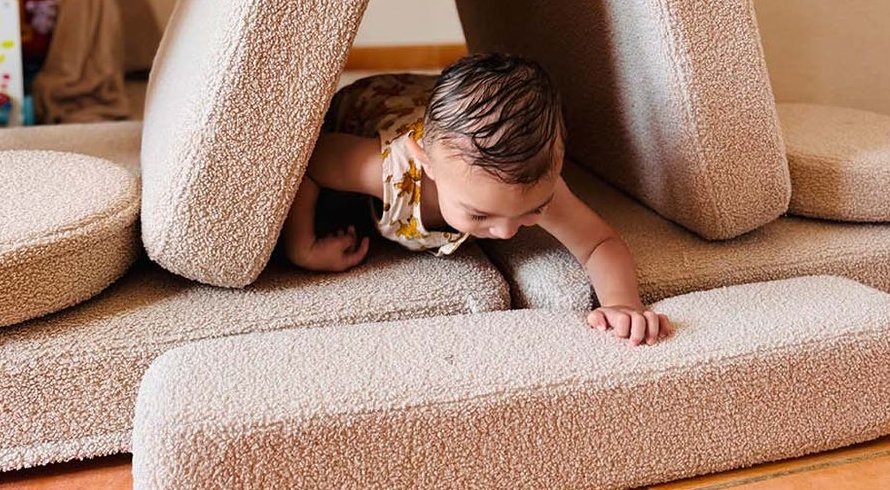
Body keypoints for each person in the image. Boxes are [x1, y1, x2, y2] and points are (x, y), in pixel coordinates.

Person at [281, 52, 673, 344]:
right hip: (372, 99)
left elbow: (599, 243)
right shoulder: (392, 170)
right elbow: (309, 162)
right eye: (480, 215)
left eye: (531, 211)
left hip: (442, 108)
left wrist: (622, 303)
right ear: (427, 164)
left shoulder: (539, 187)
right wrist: (302, 247)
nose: (506, 232)